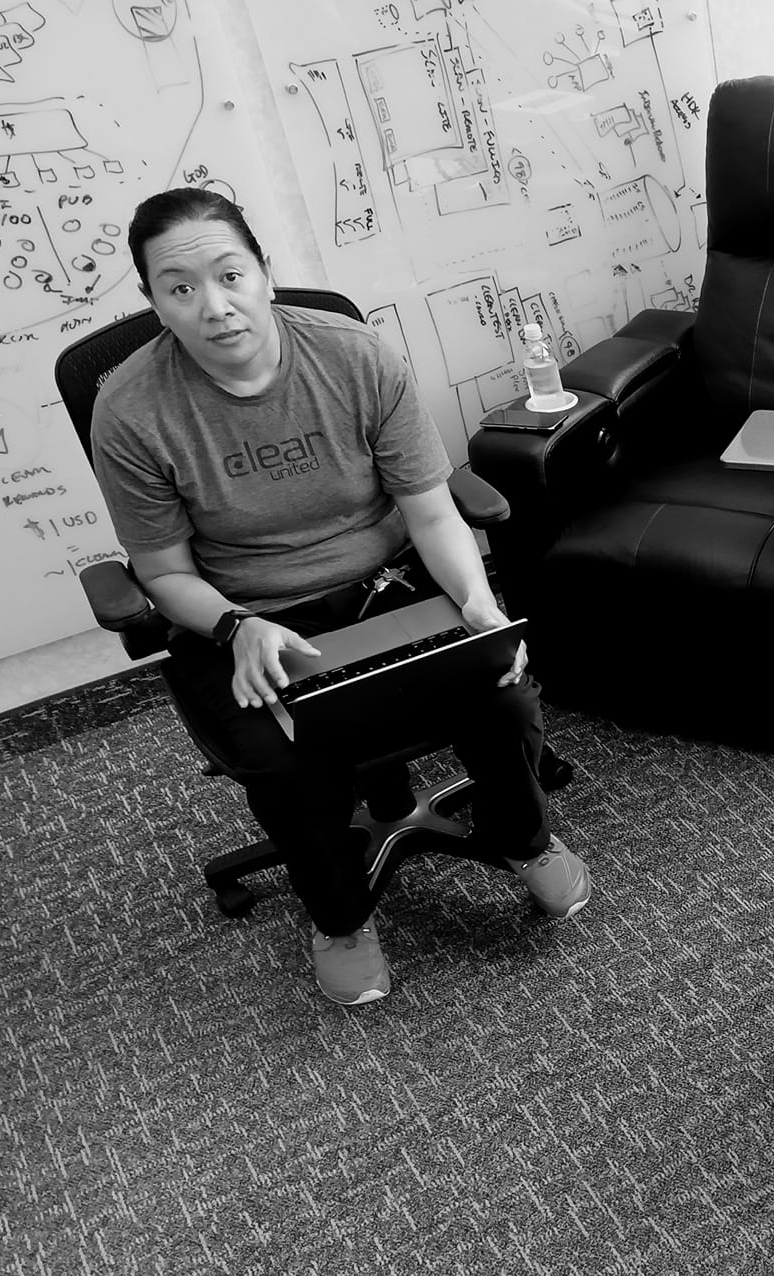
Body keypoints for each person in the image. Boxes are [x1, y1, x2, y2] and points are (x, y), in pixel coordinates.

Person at [92, 189, 590, 1006]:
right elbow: (164, 573)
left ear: (263, 271)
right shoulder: (131, 410)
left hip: (385, 580)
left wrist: (476, 603)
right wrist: (235, 625)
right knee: (283, 758)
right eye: (181, 288)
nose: (214, 306)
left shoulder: (353, 355)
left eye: (230, 275)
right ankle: (340, 918)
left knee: (499, 687)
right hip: (245, 613)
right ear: (154, 301)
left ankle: (523, 839)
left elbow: (432, 510)